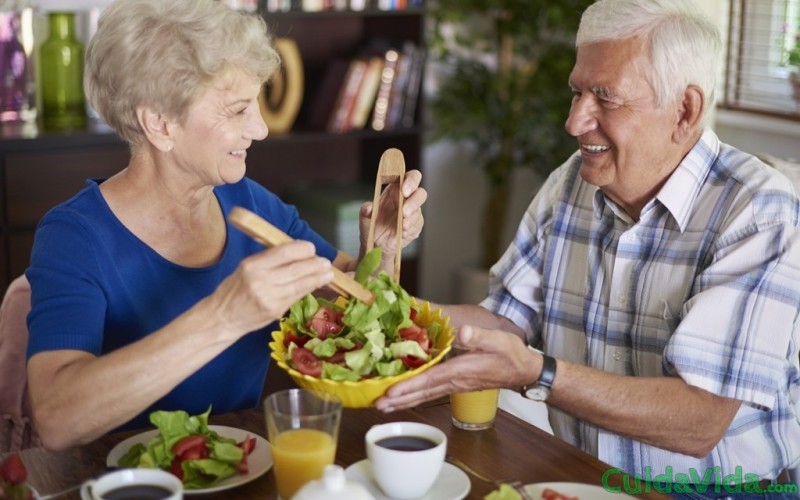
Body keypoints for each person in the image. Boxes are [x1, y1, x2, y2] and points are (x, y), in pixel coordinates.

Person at [377, 0, 800, 495]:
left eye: (605, 96)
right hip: (583, 475)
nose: (575, 121)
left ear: (685, 111)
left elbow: (700, 421)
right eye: (577, 92)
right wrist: (382, 306)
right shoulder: (570, 184)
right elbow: (504, 320)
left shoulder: (758, 210)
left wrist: (539, 373)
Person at [25, 0, 426, 451]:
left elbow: (353, 298)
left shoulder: (249, 201)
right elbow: (56, 419)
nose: (260, 128)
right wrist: (224, 316)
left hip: (241, 468)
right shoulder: (75, 235)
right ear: (159, 124)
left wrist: (384, 249)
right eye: (237, 110)